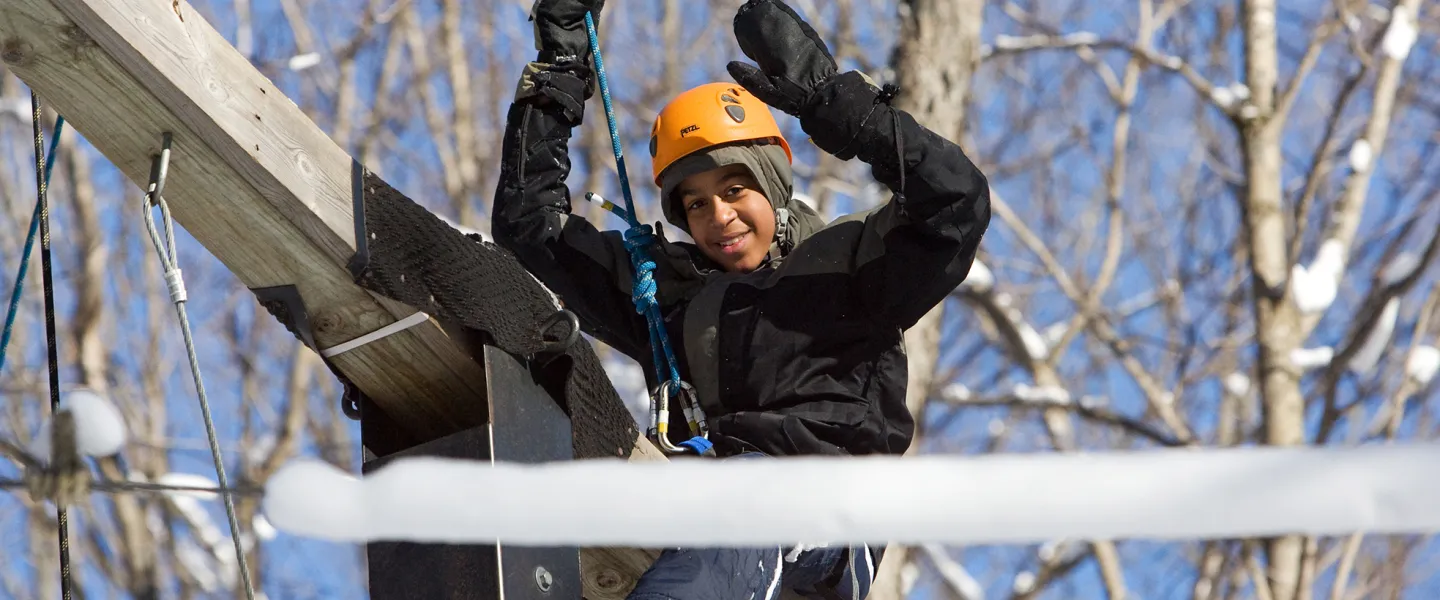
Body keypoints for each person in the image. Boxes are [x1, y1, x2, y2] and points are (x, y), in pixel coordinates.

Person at [492, 0, 991, 597]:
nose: (718, 216)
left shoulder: (852, 264)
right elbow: (530, 223)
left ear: (772, 184)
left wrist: (842, 109)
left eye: (735, 189)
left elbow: (955, 204)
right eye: (695, 204)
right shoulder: (669, 298)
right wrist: (560, 69)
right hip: (717, 529)